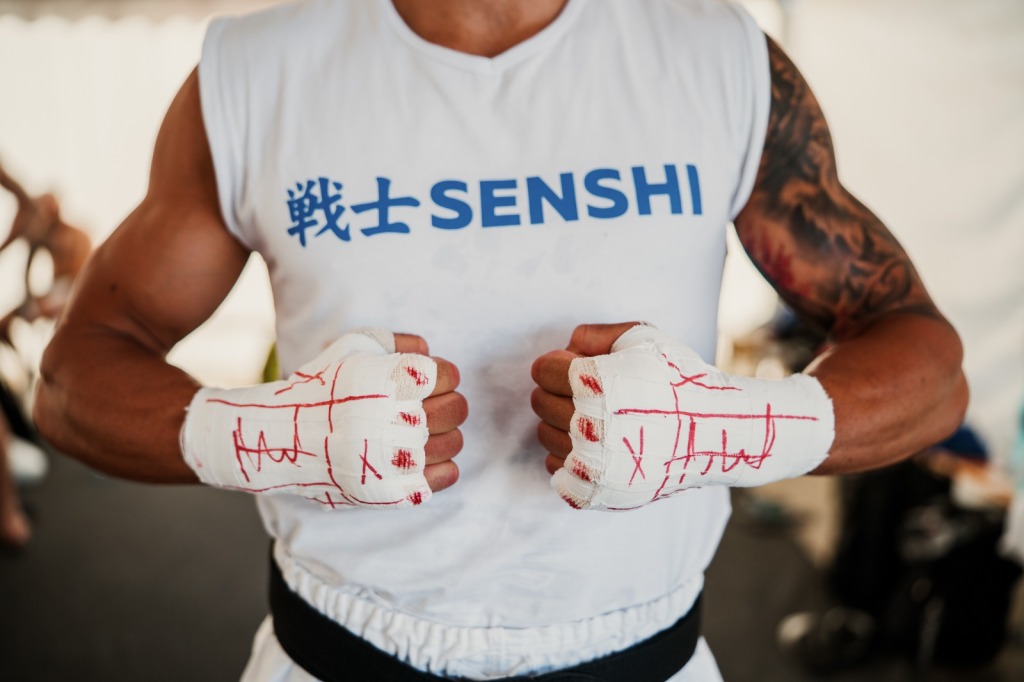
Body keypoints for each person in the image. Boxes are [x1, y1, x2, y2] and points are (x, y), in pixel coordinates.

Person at [32, 0, 967, 679]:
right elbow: (73, 379)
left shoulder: (717, 58)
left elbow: (928, 364)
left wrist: (723, 429)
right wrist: (272, 437)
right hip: (337, 651)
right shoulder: (256, 75)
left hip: (642, 655)